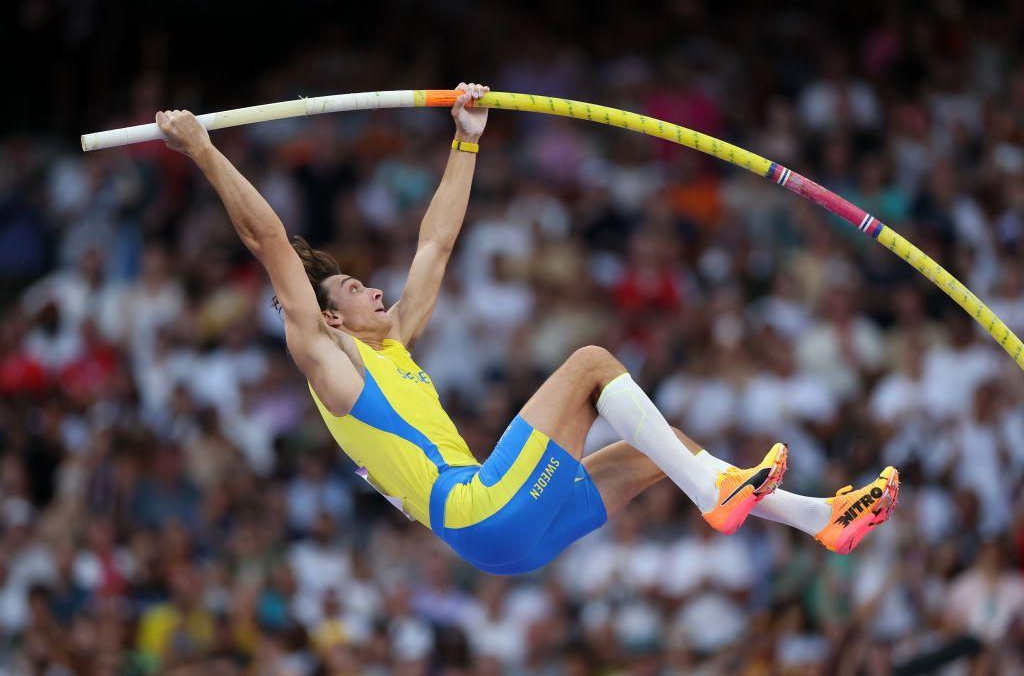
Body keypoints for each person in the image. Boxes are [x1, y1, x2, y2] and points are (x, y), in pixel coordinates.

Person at [153, 82, 899, 574]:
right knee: (590, 362)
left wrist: (467, 139)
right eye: (354, 288)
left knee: (654, 452)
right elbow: (269, 241)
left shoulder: (395, 344)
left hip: (503, 536)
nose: (376, 288)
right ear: (327, 316)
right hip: (478, 506)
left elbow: (435, 244)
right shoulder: (327, 358)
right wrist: (205, 151)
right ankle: (717, 495)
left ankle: (818, 519)